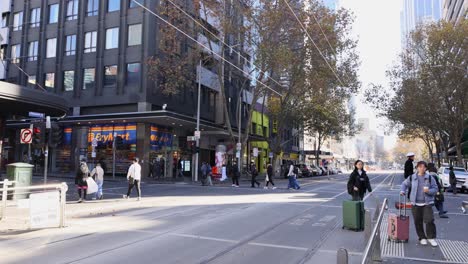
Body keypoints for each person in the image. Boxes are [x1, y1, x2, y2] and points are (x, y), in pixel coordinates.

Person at [401, 161, 438, 247]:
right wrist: (402, 191)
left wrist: (428, 191)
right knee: (418, 221)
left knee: (429, 220)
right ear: (417, 168)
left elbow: (435, 188)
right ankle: (422, 238)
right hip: (415, 203)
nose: (422, 168)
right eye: (420, 166)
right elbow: (404, 184)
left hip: (427, 203)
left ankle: (431, 238)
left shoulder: (429, 178)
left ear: (426, 168)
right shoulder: (412, 177)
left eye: (424, 167)